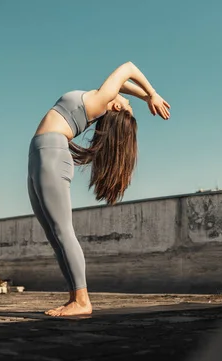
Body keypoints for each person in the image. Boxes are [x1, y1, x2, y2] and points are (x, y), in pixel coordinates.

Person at [27, 61, 171, 317]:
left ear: (114, 106)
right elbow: (124, 84)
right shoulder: (99, 98)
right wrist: (148, 95)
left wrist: (154, 92)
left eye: (127, 105)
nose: (126, 101)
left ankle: (82, 300)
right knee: (53, 234)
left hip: (51, 155)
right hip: (40, 154)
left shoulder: (99, 100)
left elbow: (128, 68)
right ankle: (74, 297)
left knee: (62, 230)